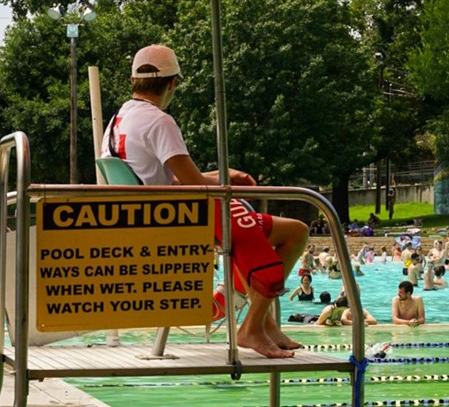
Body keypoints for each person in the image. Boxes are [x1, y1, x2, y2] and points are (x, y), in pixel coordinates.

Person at [100, 44, 308, 358]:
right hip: (177, 219)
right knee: (280, 234)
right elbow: (195, 185)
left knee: (278, 227)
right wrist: (224, 185)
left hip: (149, 215)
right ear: (172, 84)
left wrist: (225, 176)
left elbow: (170, 176)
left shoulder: (118, 120)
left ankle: (263, 322)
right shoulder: (160, 122)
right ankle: (252, 327)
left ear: (133, 81)